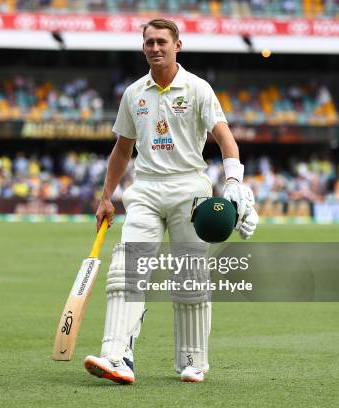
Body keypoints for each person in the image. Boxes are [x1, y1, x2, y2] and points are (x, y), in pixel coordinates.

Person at [83, 19, 259, 384]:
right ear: (143, 47)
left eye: (162, 41)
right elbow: (121, 149)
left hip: (189, 187)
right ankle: (116, 355)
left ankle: (192, 361)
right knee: (125, 271)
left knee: (190, 276)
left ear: (178, 45)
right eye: (149, 42)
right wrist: (105, 197)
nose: (155, 48)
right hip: (145, 188)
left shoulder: (197, 88)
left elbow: (226, 140)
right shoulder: (134, 93)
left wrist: (233, 182)